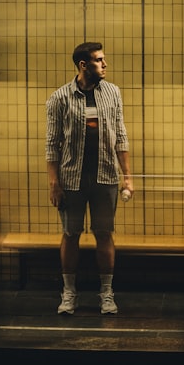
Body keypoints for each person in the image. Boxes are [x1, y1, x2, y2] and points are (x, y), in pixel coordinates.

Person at [46, 42, 133, 315]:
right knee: (71, 234)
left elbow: (121, 136)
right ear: (83, 65)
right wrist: (54, 183)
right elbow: (52, 144)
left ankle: (106, 293)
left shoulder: (113, 93)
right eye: (99, 60)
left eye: (104, 59)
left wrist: (128, 177)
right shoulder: (59, 98)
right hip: (71, 180)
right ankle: (69, 293)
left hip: (105, 177)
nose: (105, 64)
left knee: (104, 233)